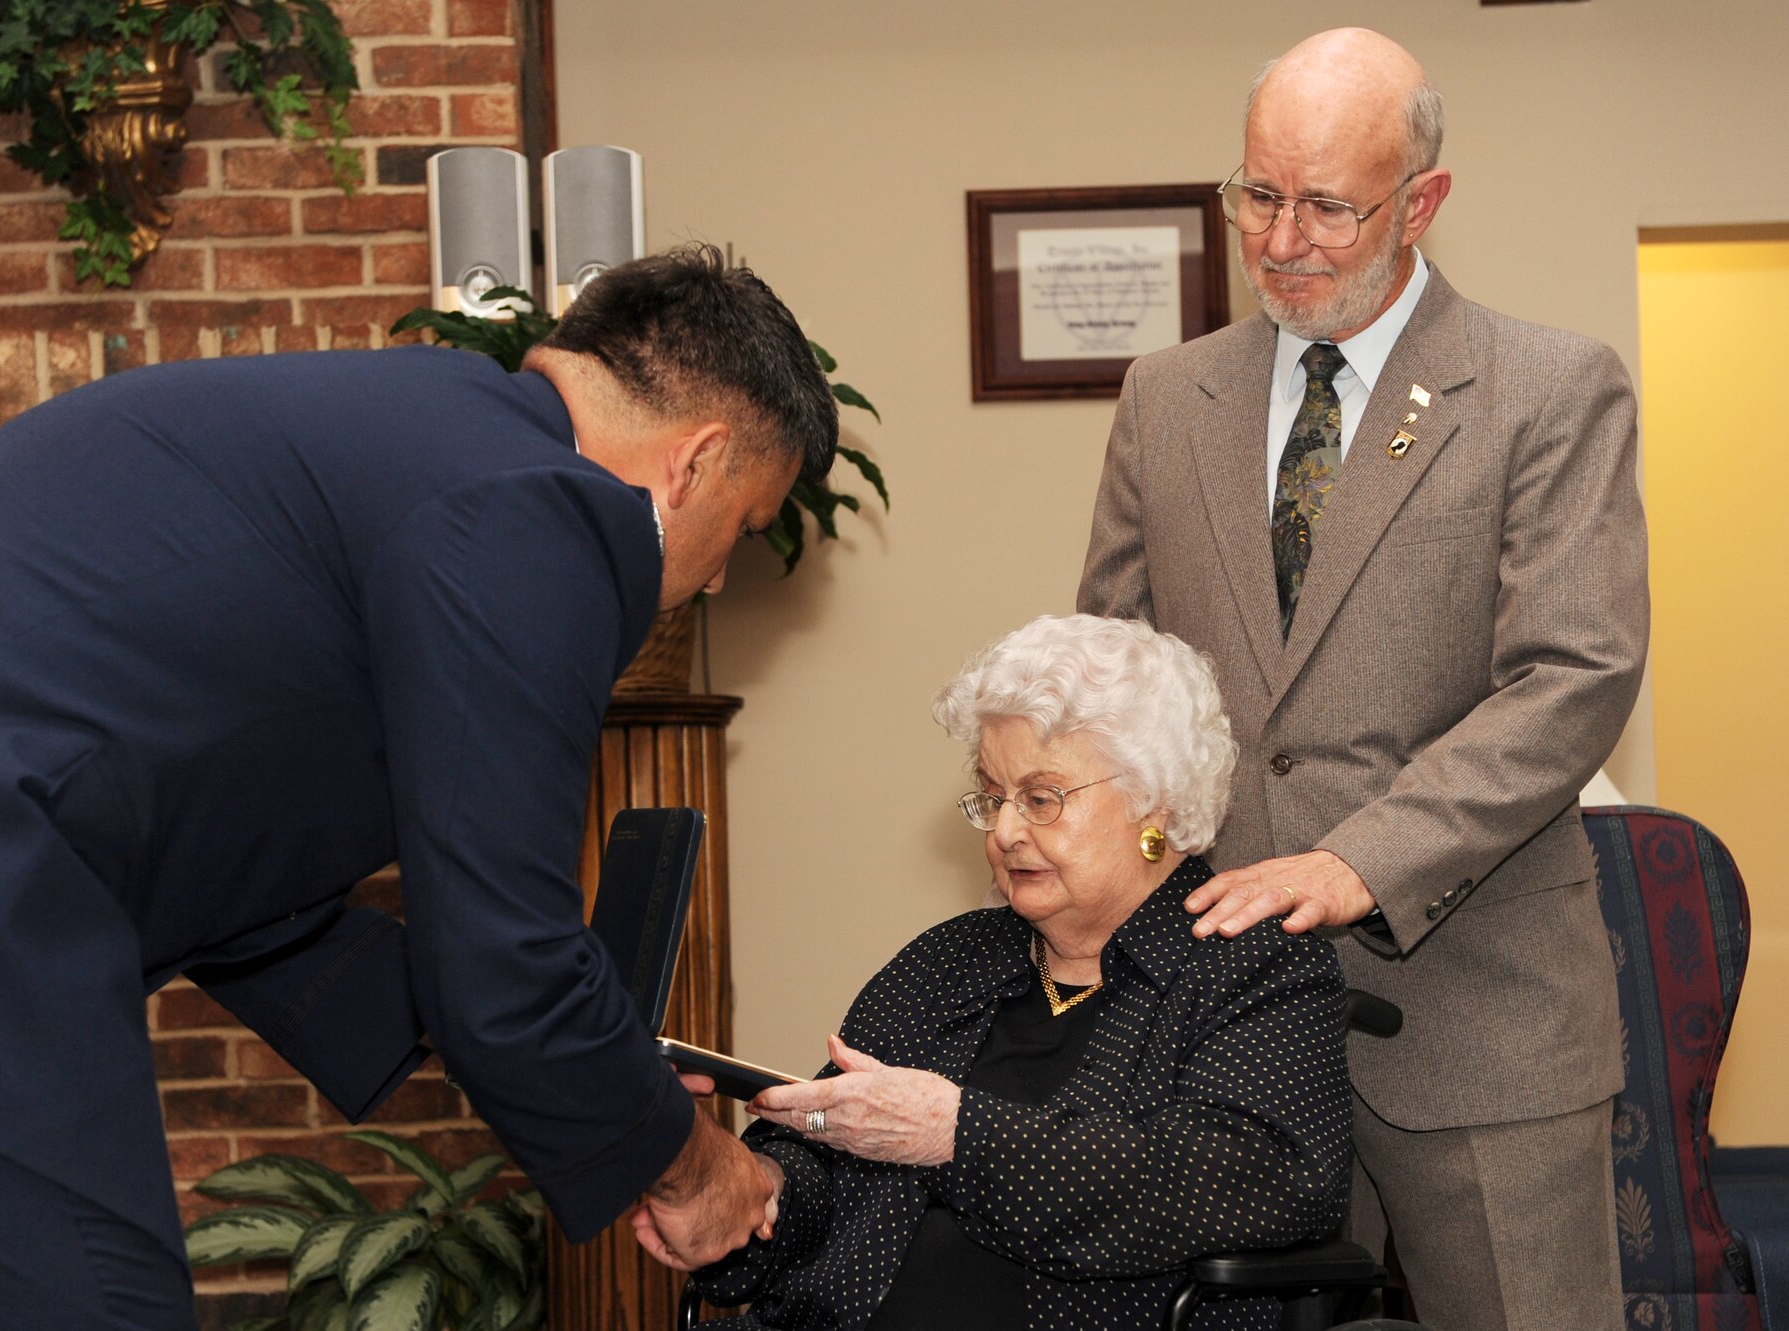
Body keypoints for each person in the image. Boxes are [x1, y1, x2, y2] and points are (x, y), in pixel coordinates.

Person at [0, 244, 833, 1329]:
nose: (717, 575)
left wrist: (588, 1059)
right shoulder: (541, 507)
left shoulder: (417, 434)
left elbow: (216, 803)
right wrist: (692, 1166)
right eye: (744, 529)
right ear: (697, 459)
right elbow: (506, 955)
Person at [1078, 29, 1647, 1330]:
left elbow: (1574, 671)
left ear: (1421, 201)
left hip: (1481, 1019)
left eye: (1327, 206)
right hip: (1226, 1036)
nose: (1281, 240)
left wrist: (1361, 860)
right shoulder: (1165, 396)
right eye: (1257, 195)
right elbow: (1121, 672)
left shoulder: (1548, 389)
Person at [648, 614, 1351, 1328]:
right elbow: (828, 1150)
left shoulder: (1256, 962)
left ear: (1157, 802)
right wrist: (758, 1189)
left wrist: (957, 1134)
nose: (1006, 831)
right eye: (993, 797)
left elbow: (1258, 1181)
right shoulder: (948, 960)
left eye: (1041, 799)